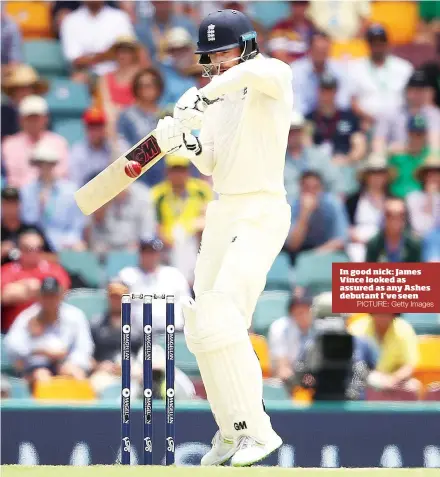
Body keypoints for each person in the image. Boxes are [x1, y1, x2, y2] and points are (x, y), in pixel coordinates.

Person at [153, 9, 293, 466]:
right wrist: (183, 143)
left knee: (224, 312)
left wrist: (200, 95)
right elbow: (210, 160)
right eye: (208, 57)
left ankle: (259, 431)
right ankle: (232, 432)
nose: (216, 63)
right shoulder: (214, 98)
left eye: (223, 53)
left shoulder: (272, 76)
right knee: (201, 325)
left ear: (248, 46)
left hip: (262, 207)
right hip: (223, 210)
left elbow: (254, 71)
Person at [4, 276, 94, 386]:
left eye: (53, 296)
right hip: (36, 367)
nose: (49, 300)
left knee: (75, 375)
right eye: (46, 296)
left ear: (61, 296)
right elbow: (11, 347)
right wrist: (38, 350)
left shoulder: (75, 316)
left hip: (67, 364)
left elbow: (84, 348)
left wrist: (70, 363)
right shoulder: (27, 317)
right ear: (39, 297)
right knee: (42, 377)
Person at [152, 154, 213, 284]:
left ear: (188, 171)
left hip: (195, 240)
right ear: (167, 171)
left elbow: (208, 215)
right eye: (174, 169)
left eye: (182, 169)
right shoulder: (158, 194)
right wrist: (169, 241)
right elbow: (157, 225)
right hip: (168, 244)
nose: (178, 174)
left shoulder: (201, 190)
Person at [118, 237, 191, 335]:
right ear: (140, 254)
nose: (149, 256)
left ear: (159, 254)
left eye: (152, 252)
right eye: (146, 252)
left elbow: (188, 306)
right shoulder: (127, 276)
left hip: (173, 333)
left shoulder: (174, 275)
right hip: (139, 335)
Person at [20, 142, 86, 251]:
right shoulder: (27, 191)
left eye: (48, 163)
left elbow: (76, 225)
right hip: (35, 246)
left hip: (65, 245)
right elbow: (27, 222)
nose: (44, 167)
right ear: (36, 165)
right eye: (41, 163)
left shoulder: (70, 191)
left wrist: (69, 241)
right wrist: (39, 206)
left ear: (54, 164)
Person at [1, 231, 71, 332]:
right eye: (28, 249)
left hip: (49, 329)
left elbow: (60, 294)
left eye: (38, 249)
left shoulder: (54, 269)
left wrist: (25, 288)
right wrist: (39, 289)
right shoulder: (7, 269)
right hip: (12, 331)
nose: (34, 253)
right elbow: (5, 296)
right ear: (20, 250)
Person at [349, 24, 413, 129]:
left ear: (387, 43)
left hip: (399, 121)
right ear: (368, 44)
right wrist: (369, 118)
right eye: (373, 42)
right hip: (368, 121)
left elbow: (413, 97)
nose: (377, 45)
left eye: (381, 42)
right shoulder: (356, 68)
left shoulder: (403, 67)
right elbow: (353, 101)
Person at [2, 95, 68, 188]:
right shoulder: (9, 144)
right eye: (29, 118)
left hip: (51, 194)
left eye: (37, 118)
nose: (33, 122)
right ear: (21, 120)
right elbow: (12, 178)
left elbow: (61, 174)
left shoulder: (59, 142)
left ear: (46, 118)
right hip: (19, 196)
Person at [60, 0, 135, 81]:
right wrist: (109, 54)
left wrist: (91, 57)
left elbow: (128, 52)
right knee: (78, 79)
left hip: (118, 72)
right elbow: (76, 61)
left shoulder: (120, 17)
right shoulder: (70, 20)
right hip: (88, 74)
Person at [285, 171, 349, 264]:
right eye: (307, 188)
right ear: (300, 189)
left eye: (315, 188)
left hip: (328, 253)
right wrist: (304, 214)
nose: (311, 192)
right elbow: (293, 245)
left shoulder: (333, 204)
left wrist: (312, 256)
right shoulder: (292, 207)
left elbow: (341, 240)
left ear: (322, 189)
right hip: (299, 255)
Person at [349, 313, 421, 395]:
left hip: (394, 379)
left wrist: (392, 379)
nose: (383, 316)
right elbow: (352, 364)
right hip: (366, 378)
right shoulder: (357, 328)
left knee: (414, 385)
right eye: (379, 311)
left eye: (387, 312)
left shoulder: (404, 328)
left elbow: (409, 365)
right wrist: (374, 378)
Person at [117, 68, 165, 187]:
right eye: (141, 85)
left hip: (164, 175)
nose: (146, 89)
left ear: (158, 87)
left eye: (150, 85)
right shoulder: (126, 116)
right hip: (138, 176)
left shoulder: (167, 114)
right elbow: (122, 144)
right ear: (136, 89)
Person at [306, 73, 366, 164]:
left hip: (345, 163)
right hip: (317, 165)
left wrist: (347, 159)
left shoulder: (349, 117)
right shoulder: (310, 118)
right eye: (323, 91)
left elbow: (359, 146)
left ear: (336, 92)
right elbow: (306, 144)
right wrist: (322, 161)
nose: (327, 95)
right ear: (318, 91)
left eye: (330, 91)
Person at [284, 111, 342, 200]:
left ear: (302, 132)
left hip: (319, 206)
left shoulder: (318, 156)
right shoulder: (276, 161)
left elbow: (335, 184)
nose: (292, 135)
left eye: (296, 131)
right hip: (290, 207)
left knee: (331, 202)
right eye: (289, 131)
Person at [345, 154, 392, 262]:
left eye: (380, 173)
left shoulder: (392, 199)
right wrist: (358, 238)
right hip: (358, 244)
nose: (377, 177)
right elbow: (345, 224)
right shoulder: (353, 200)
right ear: (366, 176)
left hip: (385, 244)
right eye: (373, 173)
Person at [98, 35, 145, 141]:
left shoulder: (141, 75)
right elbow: (106, 103)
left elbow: (142, 102)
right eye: (120, 51)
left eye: (127, 51)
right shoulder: (105, 78)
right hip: (113, 124)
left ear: (133, 54)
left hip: (136, 122)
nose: (123, 55)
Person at [268, 290, 314, 384]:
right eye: (299, 311)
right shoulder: (280, 328)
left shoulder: (321, 327)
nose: (304, 315)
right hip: (289, 383)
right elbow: (282, 369)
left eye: (307, 309)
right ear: (291, 312)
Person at [1, 186, 54, 266]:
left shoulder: (32, 230)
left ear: (20, 205)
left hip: (30, 275)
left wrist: (29, 253)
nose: (10, 208)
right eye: (7, 203)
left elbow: (54, 258)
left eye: (14, 203)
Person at [366, 197, 421, 263]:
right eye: (390, 215)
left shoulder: (414, 245)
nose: (395, 219)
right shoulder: (374, 244)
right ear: (384, 217)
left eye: (401, 215)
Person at [1, 64, 48, 140]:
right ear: (13, 92)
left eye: (28, 88)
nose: (24, 92)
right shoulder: (4, 112)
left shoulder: (41, 112)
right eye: (19, 88)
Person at [389, 115, 431, 198]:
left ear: (425, 134)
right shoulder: (396, 156)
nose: (416, 137)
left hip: (422, 201)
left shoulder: (431, 157)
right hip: (397, 200)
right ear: (407, 133)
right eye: (412, 133)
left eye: (419, 134)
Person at [406, 155, 440, 237]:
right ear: (424, 176)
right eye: (429, 172)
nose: (434, 176)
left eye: (437, 172)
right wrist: (430, 197)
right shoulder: (413, 197)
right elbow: (419, 226)